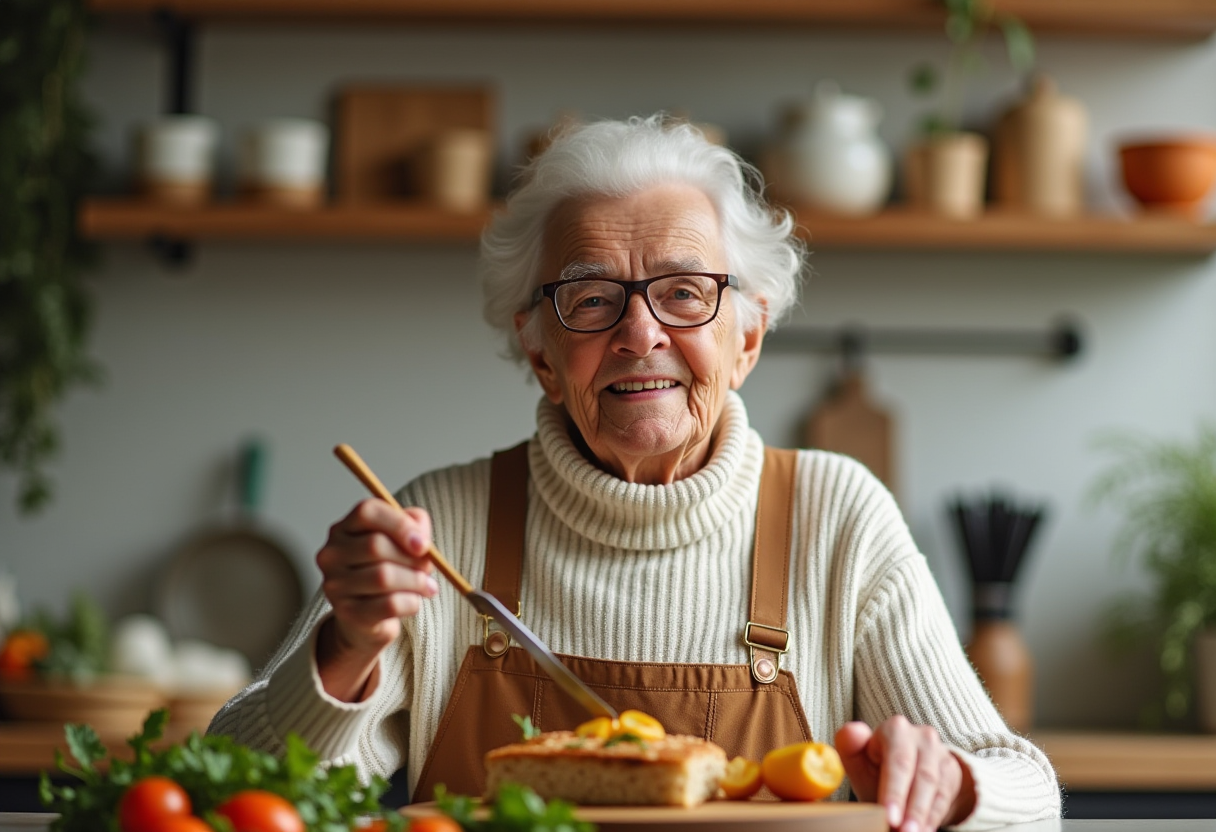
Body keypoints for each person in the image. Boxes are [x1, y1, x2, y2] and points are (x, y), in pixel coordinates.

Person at [211, 115, 1060, 831]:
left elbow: (1029, 792)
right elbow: (236, 796)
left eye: (685, 293)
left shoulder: (836, 519)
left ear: (749, 339)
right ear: (541, 353)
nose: (640, 332)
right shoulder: (439, 530)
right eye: (590, 298)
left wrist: (955, 789)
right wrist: (346, 648)